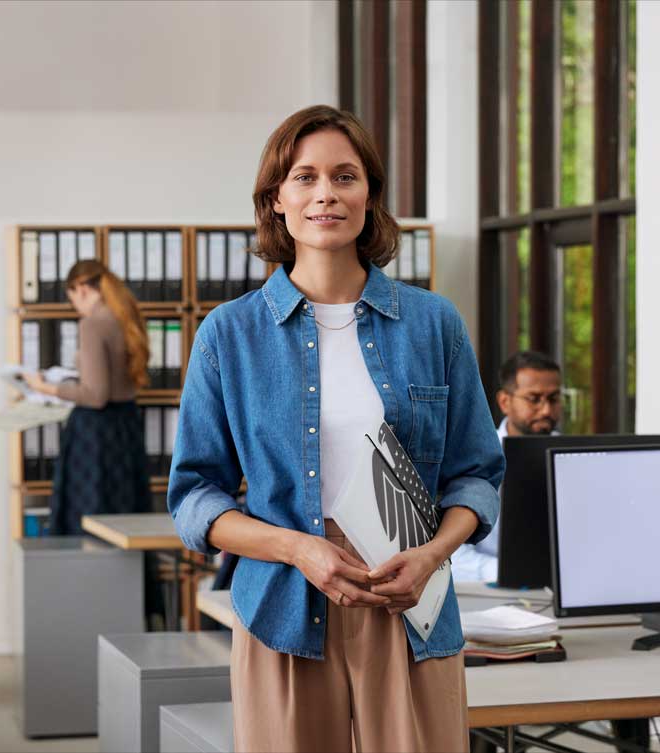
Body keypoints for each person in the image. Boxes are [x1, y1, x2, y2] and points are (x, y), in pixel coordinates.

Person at [168, 104, 504, 753]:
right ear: (277, 200)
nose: (326, 193)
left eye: (346, 176)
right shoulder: (228, 337)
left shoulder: (434, 324)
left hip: (409, 601)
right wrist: (301, 549)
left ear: (370, 196)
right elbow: (195, 498)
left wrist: (433, 554)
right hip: (285, 605)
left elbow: (477, 475)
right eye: (305, 177)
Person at [25, 260, 153, 535]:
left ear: (81, 288)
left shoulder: (93, 323)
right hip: (125, 429)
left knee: (89, 524)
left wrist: (44, 387)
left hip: (95, 436)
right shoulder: (125, 317)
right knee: (122, 522)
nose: (74, 305)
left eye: (71, 297)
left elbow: (95, 396)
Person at [449, 350, 563, 583]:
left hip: (565, 588)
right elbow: (453, 555)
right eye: (534, 399)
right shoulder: (476, 459)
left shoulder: (571, 459)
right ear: (505, 401)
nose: (546, 410)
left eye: (553, 399)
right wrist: (511, 573)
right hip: (488, 592)